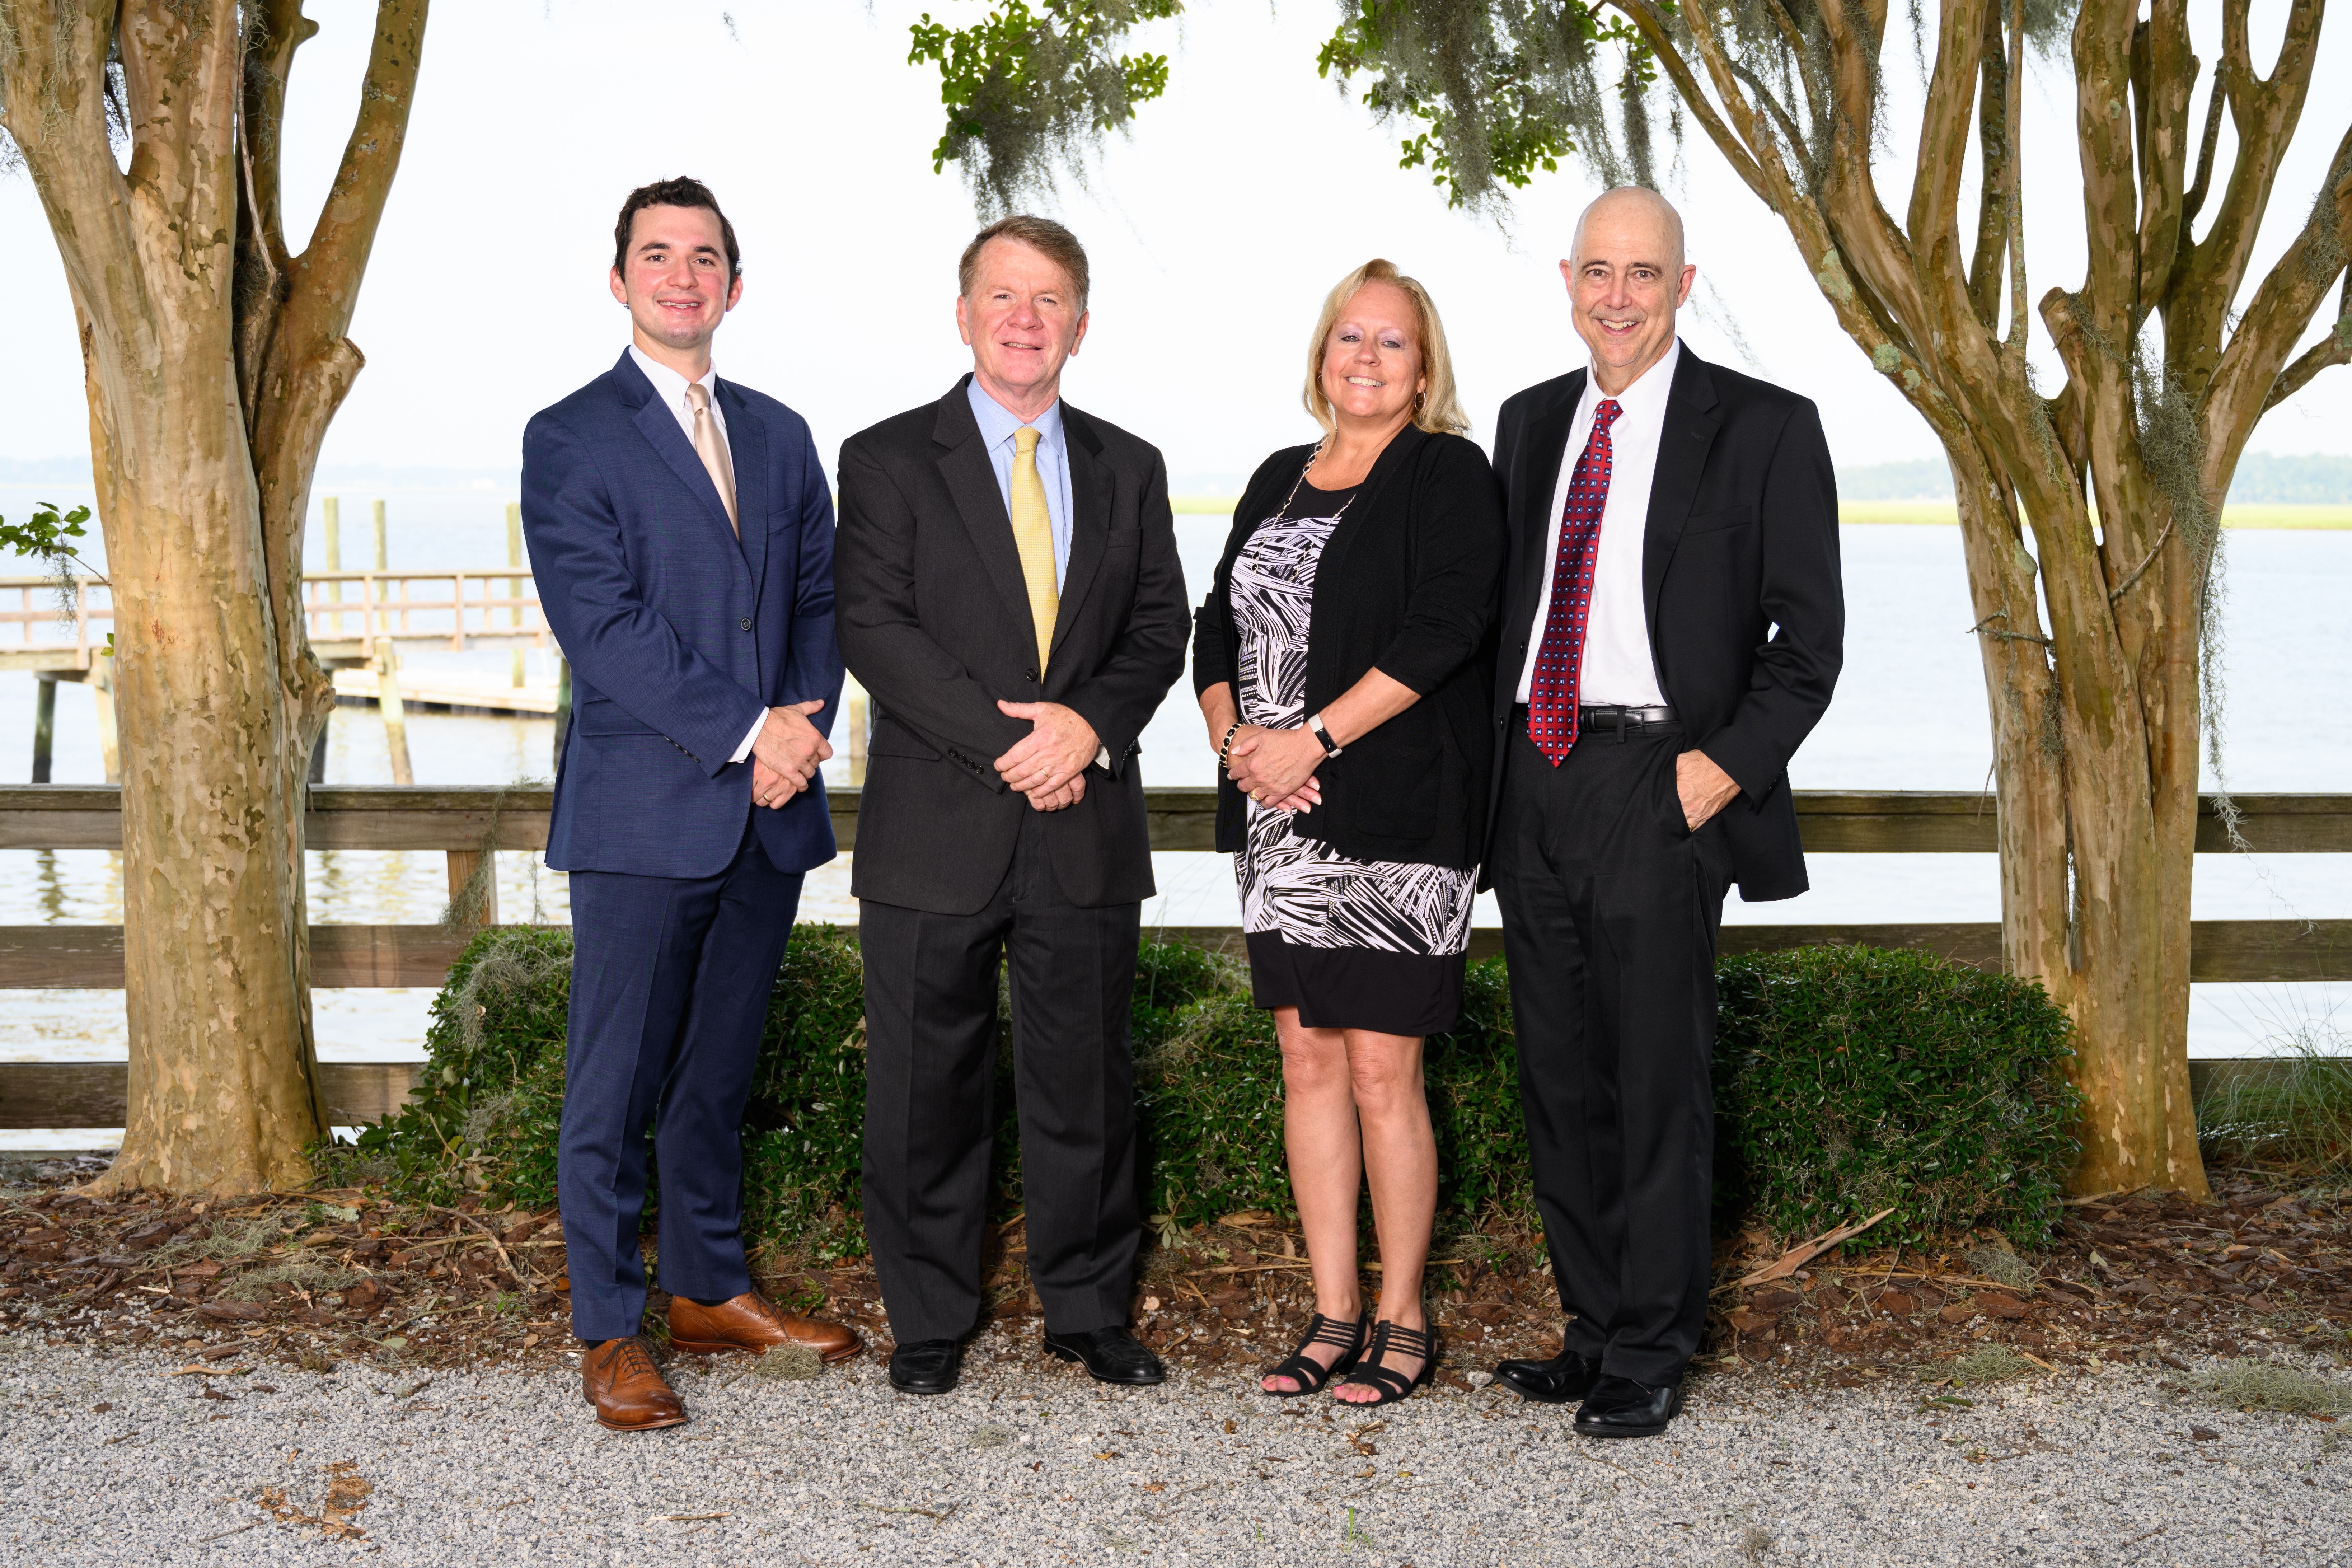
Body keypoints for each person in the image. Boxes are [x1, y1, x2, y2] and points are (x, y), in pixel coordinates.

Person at [1484, 188, 1843, 1438]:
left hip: (1661, 779)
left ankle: (1650, 1346)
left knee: (1654, 1077)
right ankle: (1590, 1331)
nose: (1618, 296)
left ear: (1683, 285)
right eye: (1599, 271)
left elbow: (1809, 645)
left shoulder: (1761, 428)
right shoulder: (1529, 424)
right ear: (1568, 280)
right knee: (1560, 1076)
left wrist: (1719, 768)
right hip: (1534, 776)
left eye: (1644, 273)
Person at [523, 176, 861, 1433]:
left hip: (767, 810)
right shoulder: (570, 437)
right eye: (656, 255)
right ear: (620, 280)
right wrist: (744, 730)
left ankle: (709, 1287)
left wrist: (802, 728)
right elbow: (600, 628)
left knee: (717, 1074)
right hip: (642, 814)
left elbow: (818, 600)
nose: (681, 275)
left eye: (703, 256)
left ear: (734, 282)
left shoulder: (778, 433)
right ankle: (610, 1327)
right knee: (614, 1084)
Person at [834, 216, 1190, 1397]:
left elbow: (1157, 630)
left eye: (1048, 299)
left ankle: (1087, 1310)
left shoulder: (1129, 466)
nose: (1024, 317)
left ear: (1079, 325)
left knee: (1082, 1082)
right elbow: (875, 631)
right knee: (923, 1091)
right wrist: (1015, 747)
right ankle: (929, 1318)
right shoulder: (886, 459)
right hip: (936, 825)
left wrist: (1084, 728)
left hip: (1083, 818)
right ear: (964, 312)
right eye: (1003, 294)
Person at [1192, 260, 1505, 1407]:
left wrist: (1309, 740)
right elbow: (1213, 620)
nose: (1364, 359)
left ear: (1423, 370)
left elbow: (1446, 630)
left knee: (1383, 1068)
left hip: (1395, 812)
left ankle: (1402, 1316)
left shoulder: (1445, 472)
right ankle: (1330, 1311)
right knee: (1304, 1056)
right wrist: (1239, 741)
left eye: (1390, 343)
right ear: (1320, 355)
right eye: (1347, 339)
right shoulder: (1280, 477)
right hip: (1276, 816)